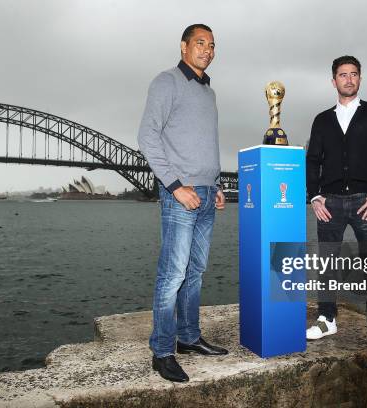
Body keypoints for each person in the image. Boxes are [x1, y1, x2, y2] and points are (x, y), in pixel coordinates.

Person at [137, 23, 228, 383]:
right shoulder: (166, 82)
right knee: (172, 274)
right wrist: (175, 186)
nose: (207, 49)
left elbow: (207, 143)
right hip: (181, 195)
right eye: (200, 43)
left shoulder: (210, 93)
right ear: (183, 47)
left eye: (212, 45)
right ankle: (161, 350)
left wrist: (216, 184)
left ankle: (188, 338)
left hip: (206, 194)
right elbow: (146, 136)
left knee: (195, 273)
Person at [305, 55, 367, 345]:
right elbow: (312, 161)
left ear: (360, 78)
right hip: (329, 202)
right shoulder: (322, 119)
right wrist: (315, 197)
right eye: (343, 75)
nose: (348, 79)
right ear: (334, 81)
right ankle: (327, 319)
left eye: (353, 74)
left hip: (365, 201)